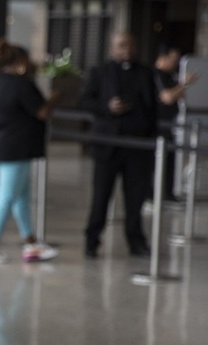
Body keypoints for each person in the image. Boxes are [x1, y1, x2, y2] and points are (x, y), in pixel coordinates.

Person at [0, 40, 59, 265]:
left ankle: (30, 242)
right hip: (17, 147)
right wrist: (54, 98)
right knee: (6, 196)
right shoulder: (21, 84)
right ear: (20, 61)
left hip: (1, 144)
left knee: (21, 196)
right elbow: (41, 111)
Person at [78, 32, 158, 259]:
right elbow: (84, 101)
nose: (127, 50)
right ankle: (92, 240)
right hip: (107, 147)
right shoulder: (99, 72)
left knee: (135, 198)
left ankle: (136, 241)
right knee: (101, 196)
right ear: (112, 48)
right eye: (122, 46)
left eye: (131, 45)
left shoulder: (145, 73)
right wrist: (107, 106)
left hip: (137, 147)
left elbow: (152, 107)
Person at [153, 44, 198, 201]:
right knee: (159, 162)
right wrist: (184, 84)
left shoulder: (171, 76)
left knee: (170, 161)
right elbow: (167, 97)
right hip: (158, 126)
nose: (175, 63)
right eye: (173, 59)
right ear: (163, 58)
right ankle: (154, 195)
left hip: (172, 125)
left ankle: (167, 194)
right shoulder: (156, 75)